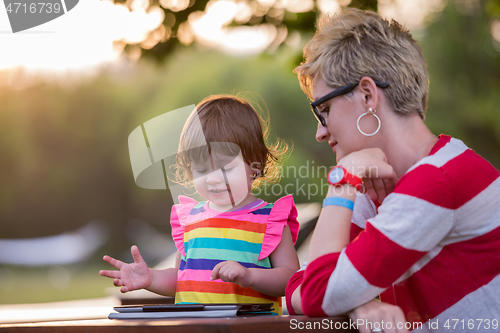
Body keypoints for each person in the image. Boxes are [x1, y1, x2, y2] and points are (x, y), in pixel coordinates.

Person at [285, 8, 500, 333]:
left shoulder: (438, 179)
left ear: (368, 95)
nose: (321, 131)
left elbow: (317, 291)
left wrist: (341, 179)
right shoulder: (377, 189)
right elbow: (299, 286)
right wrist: (359, 301)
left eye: (324, 110)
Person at [100, 95, 300, 315]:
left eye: (225, 168)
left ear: (256, 163)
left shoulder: (270, 220)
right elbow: (182, 277)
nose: (213, 179)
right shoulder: (190, 219)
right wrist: (151, 278)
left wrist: (250, 275)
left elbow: (291, 279)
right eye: (202, 170)